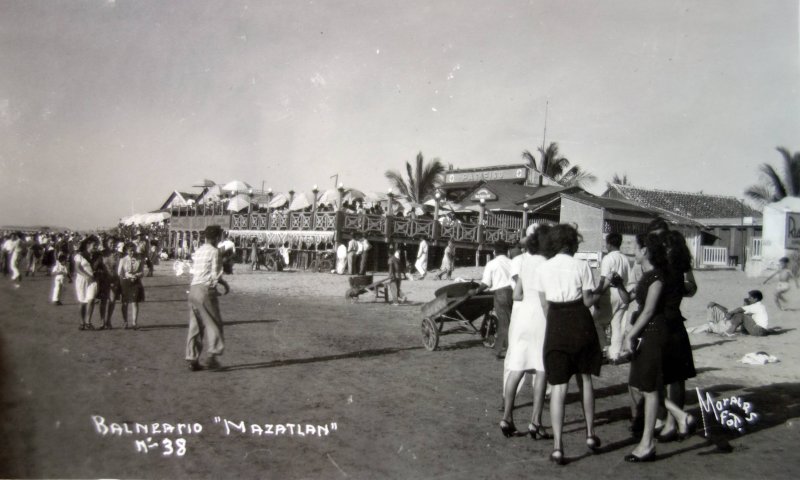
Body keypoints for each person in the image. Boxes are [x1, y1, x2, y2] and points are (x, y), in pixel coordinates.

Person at [611, 233, 691, 462]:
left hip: (654, 334)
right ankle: (679, 416)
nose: (633, 252)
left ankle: (648, 443)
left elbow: (648, 311)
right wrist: (619, 286)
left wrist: (630, 335)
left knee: (647, 385)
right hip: (651, 333)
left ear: (645, 251)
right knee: (643, 384)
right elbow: (632, 299)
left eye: (635, 248)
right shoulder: (650, 275)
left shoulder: (656, 277)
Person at [533, 224, 602, 465]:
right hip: (580, 321)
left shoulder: (543, 269)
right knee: (585, 379)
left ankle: (558, 446)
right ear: (573, 243)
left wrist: (555, 326)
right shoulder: (582, 265)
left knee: (559, 386)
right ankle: (591, 434)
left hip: (556, 322)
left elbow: (544, 306)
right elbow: (588, 300)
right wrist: (600, 291)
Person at [499, 226, 551, 440]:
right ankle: (535, 421)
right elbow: (545, 301)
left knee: (517, 367)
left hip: (522, 320)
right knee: (541, 369)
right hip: (540, 319)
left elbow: (517, 295)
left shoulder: (525, 262)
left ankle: (506, 416)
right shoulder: (547, 265)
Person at [186, 225, 228, 371]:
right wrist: (222, 283)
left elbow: (199, 271)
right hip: (205, 290)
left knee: (195, 326)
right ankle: (212, 356)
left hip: (193, 289)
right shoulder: (214, 251)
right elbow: (215, 274)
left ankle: (192, 358)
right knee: (214, 323)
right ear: (217, 238)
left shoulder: (199, 251)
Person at [593, 233, 632, 362]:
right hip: (623, 292)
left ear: (609, 243)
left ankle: (601, 350)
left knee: (599, 322)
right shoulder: (625, 259)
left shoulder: (608, 258)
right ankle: (615, 355)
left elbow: (604, 279)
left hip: (609, 293)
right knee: (618, 325)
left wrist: (597, 295)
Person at [474, 241, 514, 359]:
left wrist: (476, 291)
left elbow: (486, 283)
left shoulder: (492, 264)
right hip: (514, 293)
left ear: (494, 252)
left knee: (504, 323)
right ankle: (506, 348)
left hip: (501, 294)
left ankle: (501, 350)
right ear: (507, 251)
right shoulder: (512, 263)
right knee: (510, 321)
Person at [693, 290, 770, 336]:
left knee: (741, 315)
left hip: (759, 330)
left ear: (756, 299)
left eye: (750, 298)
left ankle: (729, 332)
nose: (749, 299)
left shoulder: (757, 306)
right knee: (741, 315)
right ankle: (729, 331)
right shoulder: (757, 307)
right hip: (760, 331)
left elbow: (740, 309)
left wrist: (731, 313)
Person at [118, 243, 145, 330]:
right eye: (130, 250)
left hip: (136, 282)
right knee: (125, 303)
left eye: (133, 250)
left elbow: (142, 271)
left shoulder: (139, 259)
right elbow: (119, 272)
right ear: (126, 251)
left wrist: (136, 275)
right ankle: (125, 322)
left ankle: (134, 323)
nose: (132, 252)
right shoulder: (123, 260)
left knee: (135, 302)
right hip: (125, 282)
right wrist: (128, 275)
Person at [74, 236, 99, 330]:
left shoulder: (97, 256)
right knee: (82, 301)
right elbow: (77, 268)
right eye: (94, 245)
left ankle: (88, 322)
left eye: (96, 245)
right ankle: (82, 322)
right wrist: (86, 276)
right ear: (88, 245)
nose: (95, 247)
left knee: (91, 299)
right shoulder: (79, 255)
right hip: (82, 280)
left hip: (93, 280)